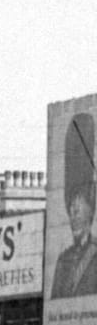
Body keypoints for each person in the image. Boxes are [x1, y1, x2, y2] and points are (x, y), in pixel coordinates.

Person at [55, 111, 97, 303]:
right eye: (71, 206)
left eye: (79, 206)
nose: (74, 213)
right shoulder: (62, 262)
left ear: (91, 208)